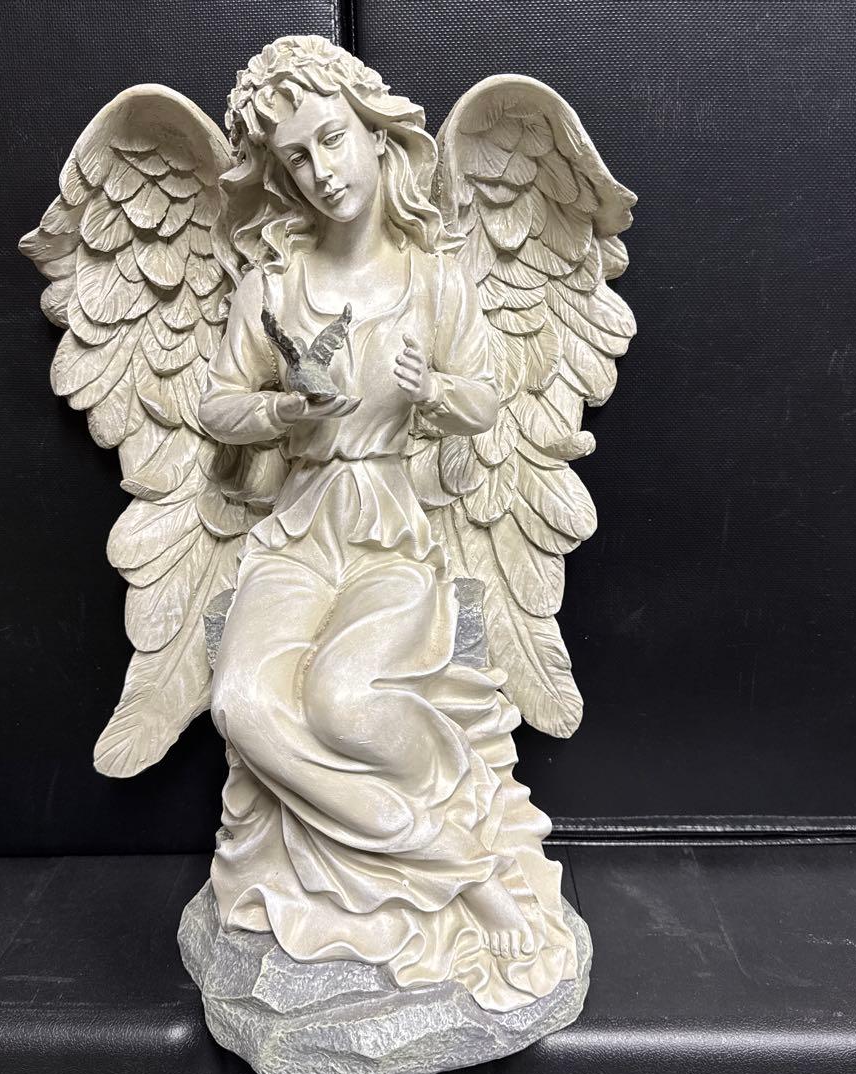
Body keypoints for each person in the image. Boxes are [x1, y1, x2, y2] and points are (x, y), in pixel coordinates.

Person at [196, 36, 576, 1012]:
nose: (322, 171)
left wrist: (433, 390)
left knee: (342, 702)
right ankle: (453, 863)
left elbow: (486, 397)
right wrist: (283, 409)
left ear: (375, 134)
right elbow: (218, 407)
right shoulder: (272, 287)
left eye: (332, 139)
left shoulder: (435, 279)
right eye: (296, 159)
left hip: (390, 534)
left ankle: (468, 868)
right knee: (242, 703)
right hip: (298, 529)